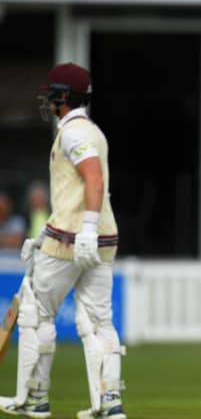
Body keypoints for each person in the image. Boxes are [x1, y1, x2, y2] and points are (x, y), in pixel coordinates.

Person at [0, 63, 126, 419]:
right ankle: (109, 403)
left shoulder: (73, 133)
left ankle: (34, 399)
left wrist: (83, 228)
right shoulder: (93, 131)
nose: (48, 100)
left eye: (52, 93)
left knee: (35, 314)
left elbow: (94, 179)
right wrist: (43, 235)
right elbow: (78, 190)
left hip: (74, 238)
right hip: (100, 237)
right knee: (99, 322)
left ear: (64, 97)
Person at [0, 192, 27, 259]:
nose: (2, 209)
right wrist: (9, 239)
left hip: (15, 262)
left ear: (8, 206)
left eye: (3, 206)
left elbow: (17, 241)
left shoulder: (17, 221)